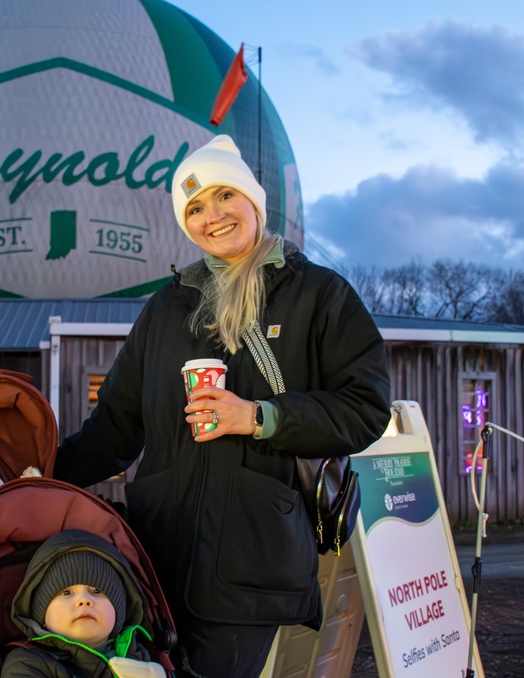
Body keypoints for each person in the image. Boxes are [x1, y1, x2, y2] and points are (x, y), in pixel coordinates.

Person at [54, 135, 392, 677]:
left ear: (253, 200)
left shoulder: (318, 295)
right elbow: (115, 428)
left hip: (251, 557)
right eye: (194, 207)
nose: (212, 216)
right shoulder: (169, 306)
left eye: (223, 196)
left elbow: (367, 407)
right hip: (158, 553)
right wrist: (33, 476)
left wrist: (260, 418)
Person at [3, 528, 167, 678]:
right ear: (42, 613)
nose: (84, 600)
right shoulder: (26, 663)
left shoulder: (140, 658)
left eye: (96, 591)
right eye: (66, 593)